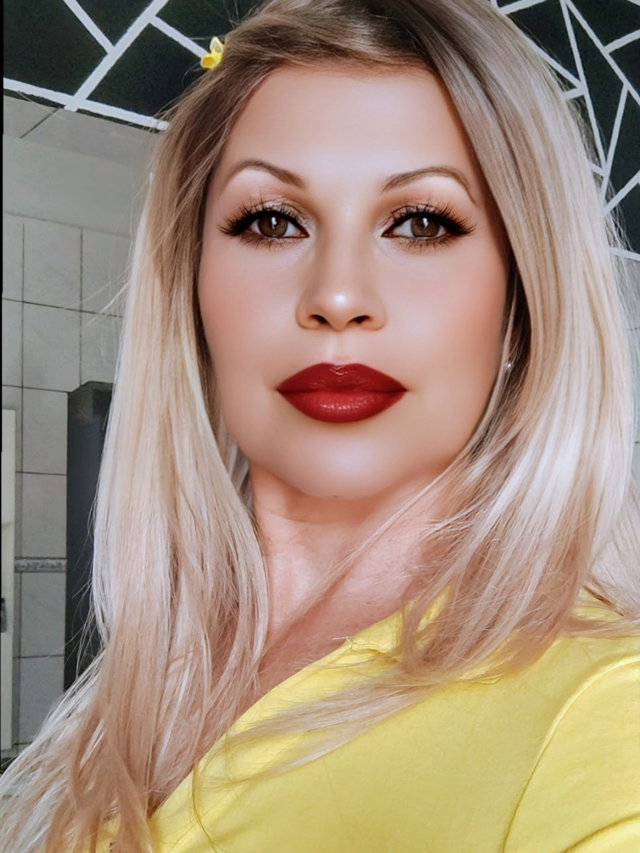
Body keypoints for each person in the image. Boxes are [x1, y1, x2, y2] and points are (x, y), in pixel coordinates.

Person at [1, 0, 639, 851]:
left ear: (521, 306)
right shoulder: (135, 694)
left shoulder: (605, 716)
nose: (338, 295)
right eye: (271, 220)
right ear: (191, 289)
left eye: (421, 222)